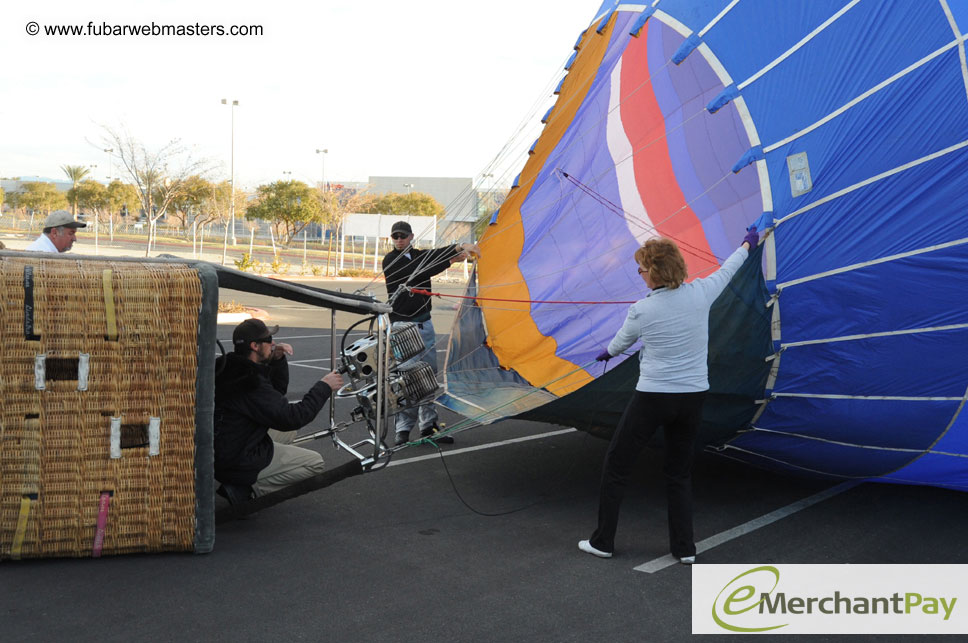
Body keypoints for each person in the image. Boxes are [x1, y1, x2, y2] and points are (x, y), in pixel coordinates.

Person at [579, 226, 760, 564]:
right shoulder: (701, 293)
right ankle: (685, 549)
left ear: (656, 272)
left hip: (653, 398)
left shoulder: (641, 311)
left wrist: (606, 352)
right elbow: (729, 268)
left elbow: (620, 345)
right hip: (692, 398)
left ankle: (603, 541)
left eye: (643, 269)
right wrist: (748, 244)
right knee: (679, 473)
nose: (640, 274)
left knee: (617, 466)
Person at [214, 318, 344, 503]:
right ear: (255, 346)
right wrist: (324, 386)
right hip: (235, 459)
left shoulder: (230, 367)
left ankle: (243, 479)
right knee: (314, 462)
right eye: (268, 340)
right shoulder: (250, 382)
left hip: (223, 446)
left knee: (288, 432)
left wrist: (277, 361)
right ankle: (245, 488)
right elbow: (293, 416)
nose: (273, 343)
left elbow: (275, 396)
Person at [382, 220, 480, 446]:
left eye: (403, 236)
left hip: (424, 324)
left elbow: (431, 257)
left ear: (411, 237)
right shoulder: (390, 260)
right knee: (407, 379)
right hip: (403, 327)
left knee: (428, 376)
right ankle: (403, 429)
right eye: (395, 236)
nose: (399, 240)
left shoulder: (418, 255)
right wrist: (451, 256)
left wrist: (456, 250)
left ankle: (428, 426)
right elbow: (418, 271)